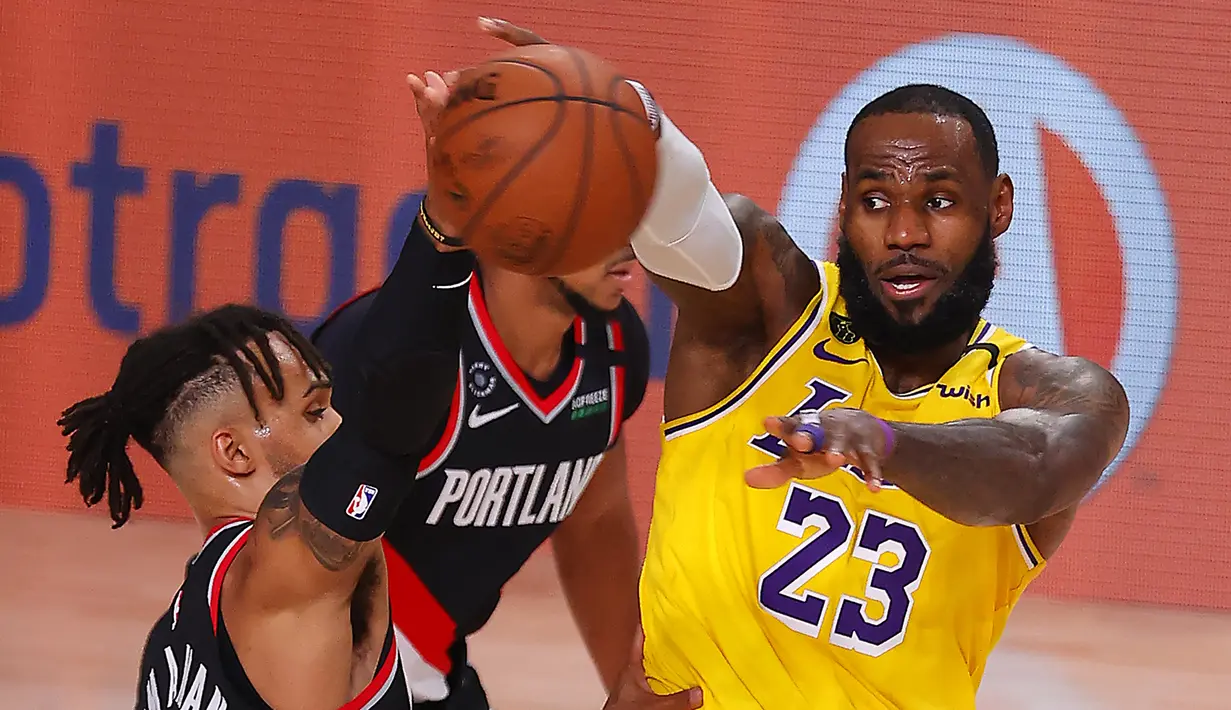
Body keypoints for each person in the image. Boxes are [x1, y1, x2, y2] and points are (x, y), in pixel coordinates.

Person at [628, 82, 1132, 708]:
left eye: (939, 201)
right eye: (874, 201)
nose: (904, 233)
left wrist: (884, 441)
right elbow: (685, 224)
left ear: (997, 206)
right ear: (843, 206)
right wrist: (628, 117)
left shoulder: (1053, 392)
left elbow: (1037, 466)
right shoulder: (768, 316)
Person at [309, 37, 653, 709]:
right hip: (327, 670)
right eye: (603, 206)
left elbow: (595, 520)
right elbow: (270, 541)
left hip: (430, 667)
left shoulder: (613, 351)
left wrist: (629, 688)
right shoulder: (398, 351)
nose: (632, 235)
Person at [58, 178, 481, 708]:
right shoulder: (288, 572)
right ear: (235, 453)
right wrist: (447, 220)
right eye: (315, 411)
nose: (337, 426)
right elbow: (388, 425)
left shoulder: (170, 649)